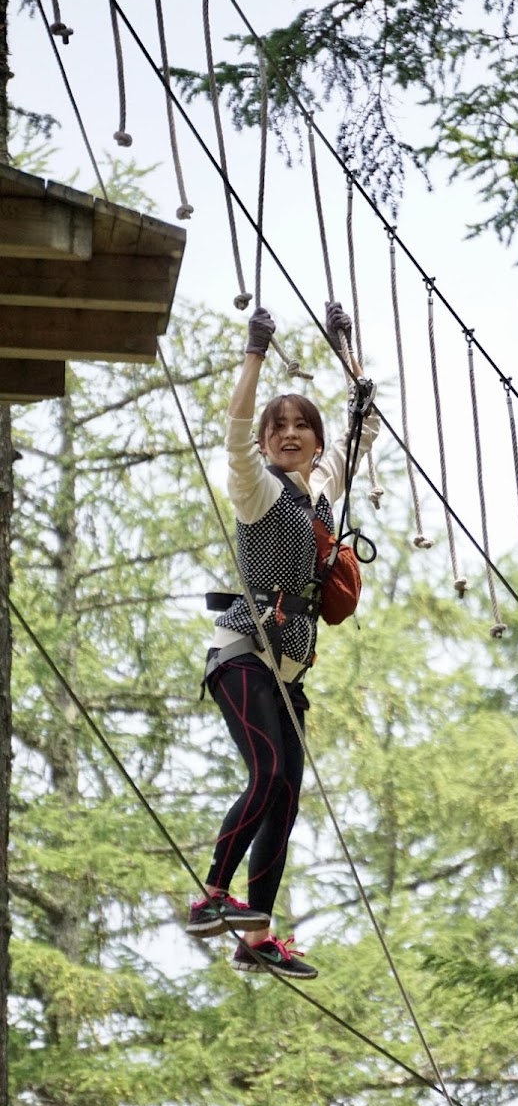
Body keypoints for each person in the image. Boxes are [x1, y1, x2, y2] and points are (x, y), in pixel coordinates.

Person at [185, 302, 379, 979]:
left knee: (286, 798)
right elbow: (236, 437)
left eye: (303, 426)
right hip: (243, 655)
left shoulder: (320, 496)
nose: (290, 433)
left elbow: (364, 425)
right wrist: (254, 354)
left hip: (285, 674)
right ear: (267, 444)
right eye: (280, 426)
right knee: (266, 774)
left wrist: (346, 350)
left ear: (316, 446)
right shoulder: (257, 490)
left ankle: (257, 931)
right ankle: (212, 894)